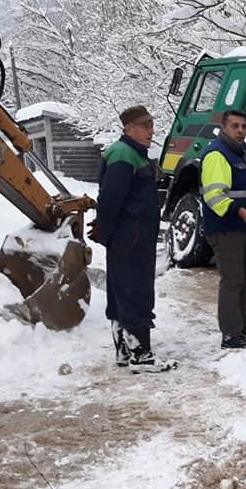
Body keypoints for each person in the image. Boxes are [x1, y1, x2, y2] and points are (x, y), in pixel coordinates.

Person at [92, 105, 174, 372]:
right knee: (135, 291)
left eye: (151, 125)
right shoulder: (123, 155)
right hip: (132, 237)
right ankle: (141, 356)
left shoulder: (132, 154)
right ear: (128, 129)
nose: (151, 131)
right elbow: (109, 199)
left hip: (131, 236)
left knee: (121, 292)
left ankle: (124, 352)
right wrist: (106, 232)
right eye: (145, 126)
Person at [200, 109, 246, 349]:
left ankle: (241, 327)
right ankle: (231, 334)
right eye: (234, 126)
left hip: (241, 227)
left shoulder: (237, 153)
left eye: (243, 126)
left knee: (245, 278)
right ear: (223, 127)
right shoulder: (217, 154)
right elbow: (214, 196)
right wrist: (239, 211)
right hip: (226, 228)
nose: (240, 130)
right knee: (233, 280)